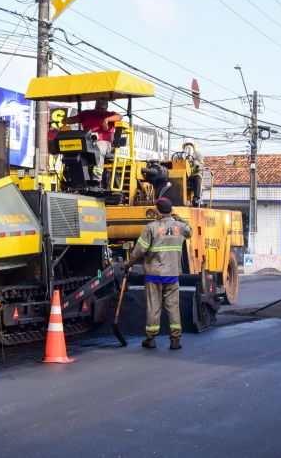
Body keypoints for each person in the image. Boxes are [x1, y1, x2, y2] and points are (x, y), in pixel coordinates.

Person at [125, 198, 192, 350]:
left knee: (153, 307)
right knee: (173, 307)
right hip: (172, 274)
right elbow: (190, 232)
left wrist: (128, 264)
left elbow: (139, 250)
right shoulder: (180, 227)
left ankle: (151, 339)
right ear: (171, 210)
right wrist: (180, 219)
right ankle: (175, 340)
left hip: (154, 274)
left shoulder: (151, 228)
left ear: (157, 210)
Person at [62, 98, 122, 181]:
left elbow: (120, 116)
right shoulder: (87, 114)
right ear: (95, 106)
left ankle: (96, 179)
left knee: (98, 149)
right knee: (73, 150)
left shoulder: (110, 115)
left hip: (104, 142)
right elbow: (74, 119)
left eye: (102, 108)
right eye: (98, 107)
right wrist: (66, 120)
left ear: (106, 108)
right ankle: (74, 178)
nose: (99, 110)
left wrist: (107, 119)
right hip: (87, 142)